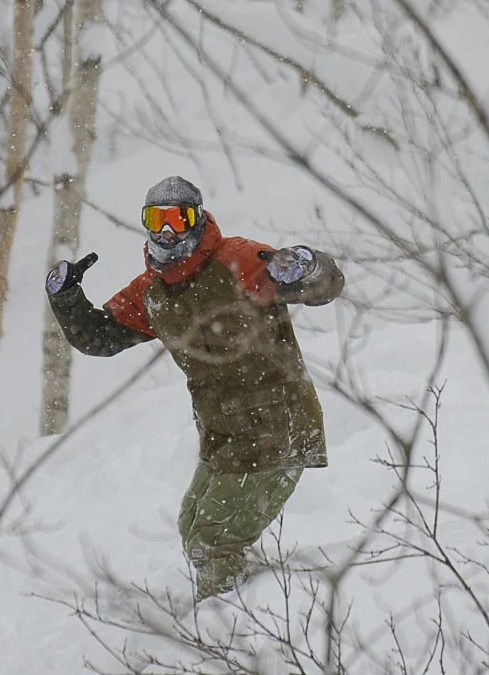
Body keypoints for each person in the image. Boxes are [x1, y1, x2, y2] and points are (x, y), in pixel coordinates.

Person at [45, 175, 345, 600]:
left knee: (213, 537)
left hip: (278, 427)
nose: (168, 232)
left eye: (179, 219)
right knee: (192, 524)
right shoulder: (153, 292)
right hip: (223, 434)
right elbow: (101, 336)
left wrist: (308, 266)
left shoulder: (237, 261)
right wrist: (67, 298)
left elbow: (322, 287)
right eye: (157, 220)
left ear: (199, 220)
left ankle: (231, 629)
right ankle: (263, 599)